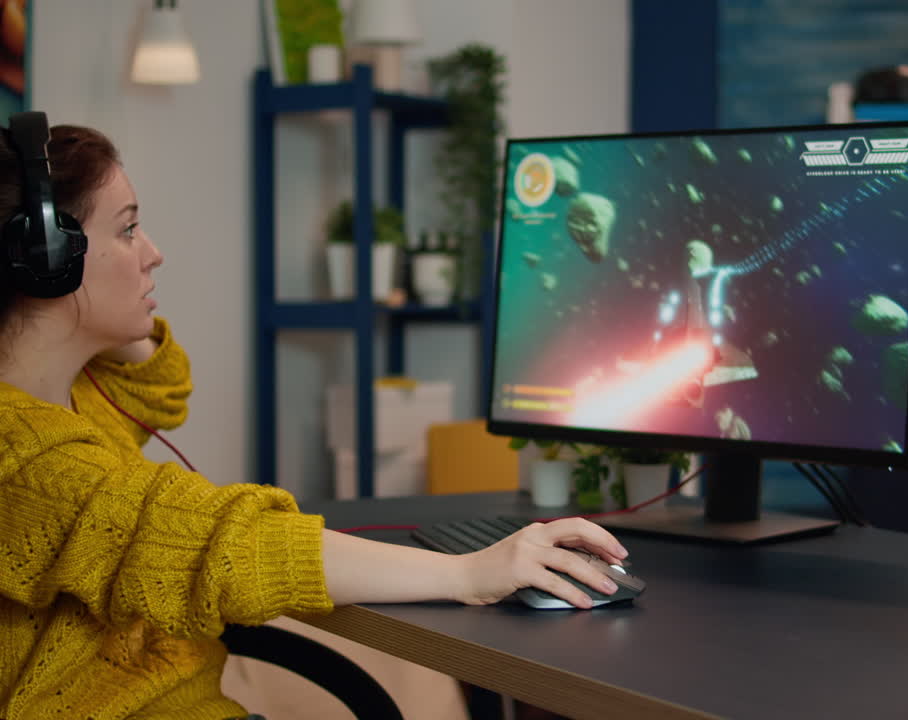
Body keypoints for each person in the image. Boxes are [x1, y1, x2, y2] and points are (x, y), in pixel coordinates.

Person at [0, 113, 630, 720]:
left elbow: (161, 387)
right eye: (129, 229)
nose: (154, 253)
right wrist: (471, 572)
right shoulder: (27, 459)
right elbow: (223, 542)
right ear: (52, 254)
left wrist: (81, 295)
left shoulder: (76, 395)